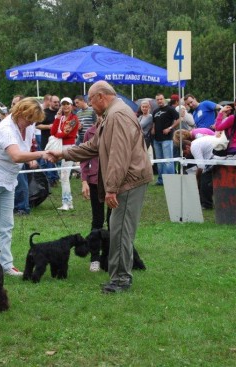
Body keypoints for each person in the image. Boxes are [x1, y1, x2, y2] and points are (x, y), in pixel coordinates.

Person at [46, 81, 153, 294]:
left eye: (90, 100)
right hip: (127, 179)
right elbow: (94, 146)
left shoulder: (117, 116)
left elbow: (118, 155)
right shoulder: (112, 115)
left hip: (128, 182)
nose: (89, 105)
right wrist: (64, 154)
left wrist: (112, 188)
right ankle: (118, 276)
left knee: (120, 230)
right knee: (117, 229)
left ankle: (121, 280)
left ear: (101, 97)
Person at [0, 97, 49, 276]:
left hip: (8, 181)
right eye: (29, 119)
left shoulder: (28, 126)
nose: (31, 123)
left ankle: (5, 265)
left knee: (7, 225)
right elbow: (15, 155)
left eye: (34, 121)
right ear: (21, 113)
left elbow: (24, 149)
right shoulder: (5, 129)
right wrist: (41, 154)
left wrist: (30, 158)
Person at [80, 122, 111, 272]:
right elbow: (84, 157)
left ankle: (112, 257)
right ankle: (95, 258)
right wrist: (84, 180)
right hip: (94, 181)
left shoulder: (115, 130)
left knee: (113, 221)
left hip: (113, 180)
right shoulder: (90, 132)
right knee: (97, 220)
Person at [51, 97, 80, 210]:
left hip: (68, 148)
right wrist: (57, 119)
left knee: (64, 176)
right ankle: (68, 202)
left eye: (67, 104)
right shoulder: (61, 118)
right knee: (62, 176)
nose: (65, 106)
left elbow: (64, 134)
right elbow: (52, 131)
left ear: (71, 106)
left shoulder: (74, 119)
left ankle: (67, 203)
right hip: (59, 147)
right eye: (63, 104)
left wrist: (58, 133)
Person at [151, 93, 180, 185]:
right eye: (158, 99)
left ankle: (171, 180)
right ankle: (161, 180)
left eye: (161, 99)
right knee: (159, 161)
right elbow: (154, 123)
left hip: (167, 139)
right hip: (156, 139)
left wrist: (170, 128)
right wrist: (153, 129)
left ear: (164, 99)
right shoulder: (155, 111)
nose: (159, 101)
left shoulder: (170, 109)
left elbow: (179, 119)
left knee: (168, 160)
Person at [37, 95, 60, 185]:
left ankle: (53, 178)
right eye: (55, 102)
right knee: (45, 161)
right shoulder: (44, 113)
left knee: (55, 160)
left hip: (58, 141)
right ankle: (48, 179)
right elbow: (37, 125)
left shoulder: (60, 112)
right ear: (50, 102)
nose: (57, 104)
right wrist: (48, 126)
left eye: (58, 102)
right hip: (46, 141)